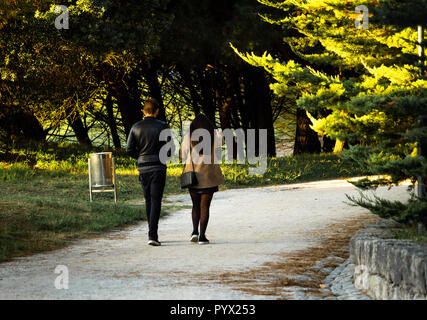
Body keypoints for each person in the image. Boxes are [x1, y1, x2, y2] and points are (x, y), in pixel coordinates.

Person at [126, 98, 169, 246]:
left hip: (143, 168)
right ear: (157, 111)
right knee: (156, 200)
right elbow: (170, 149)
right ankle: (153, 235)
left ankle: (151, 234)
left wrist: (140, 157)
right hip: (158, 167)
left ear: (144, 111)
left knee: (148, 200)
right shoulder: (163, 126)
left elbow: (129, 149)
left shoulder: (135, 127)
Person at [180, 114, 224, 245]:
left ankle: (194, 232)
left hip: (192, 176)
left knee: (195, 206)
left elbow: (182, 153)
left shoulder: (189, 136)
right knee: (205, 206)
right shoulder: (213, 136)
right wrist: (219, 133)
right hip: (208, 177)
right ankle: (202, 237)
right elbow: (221, 143)